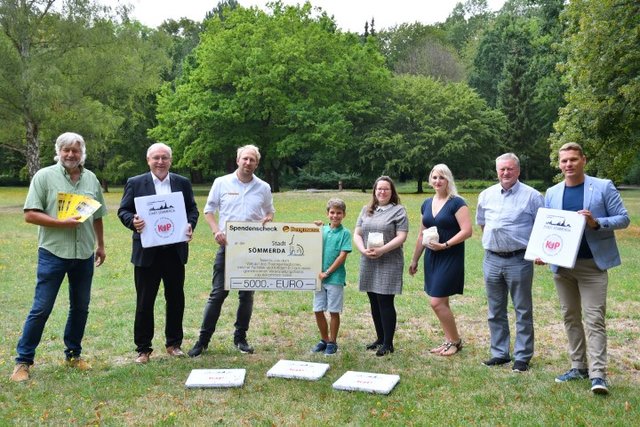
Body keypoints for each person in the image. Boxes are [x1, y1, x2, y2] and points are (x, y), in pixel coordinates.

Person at [10, 132, 106, 382]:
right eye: (66, 150)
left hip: (84, 253)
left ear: (82, 153)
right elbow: (30, 214)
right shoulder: (44, 177)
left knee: (80, 308)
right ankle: (23, 362)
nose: (71, 154)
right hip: (53, 253)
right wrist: (59, 222)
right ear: (58, 151)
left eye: (75, 150)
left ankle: (73, 355)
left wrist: (101, 246)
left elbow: (97, 216)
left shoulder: (91, 179)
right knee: (41, 308)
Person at [542, 142, 629, 395]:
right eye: (564, 161)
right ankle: (578, 366)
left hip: (593, 266)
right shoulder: (552, 192)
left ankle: (598, 374)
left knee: (594, 320)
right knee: (570, 317)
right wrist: (541, 252)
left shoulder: (602, 186)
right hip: (563, 267)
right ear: (559, 164)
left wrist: (595, 222)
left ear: (583, 160)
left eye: (573, 159)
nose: (568, 165)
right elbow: (548, 227)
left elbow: (623, 218)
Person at [188, 144, 275, 357]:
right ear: (238, 160)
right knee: (218, 294)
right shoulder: (221, 183)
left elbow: (270, 212)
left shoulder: (263, 187)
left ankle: (240, 338)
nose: (248, 163)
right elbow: (208, 210)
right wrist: (216, 230)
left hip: (253, 249)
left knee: (246, 296)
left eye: (252, 160)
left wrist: (268, 218)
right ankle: (203, 340)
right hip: (227, 247)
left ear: (257, 163)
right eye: (244, 159)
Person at [117, 143, 199, 364]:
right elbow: (123, 210)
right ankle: (143, 349)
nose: (160, 162)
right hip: (147, 253)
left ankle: (174, 344)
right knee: (145, 302)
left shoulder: (182, 183)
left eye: (164, 158)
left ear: (170, 160)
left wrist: (190, 224)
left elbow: (192, 209)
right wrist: (133, 221)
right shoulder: (135, 183)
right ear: (148, 160)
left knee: (175, 299)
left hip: (174, 252)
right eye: (156, 158)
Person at [476, 153, 543, 372]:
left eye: (510, 169)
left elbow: (542, 228)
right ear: (496, 171)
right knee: (495, 310)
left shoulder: (532, 196)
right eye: (502, 169)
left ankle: (522, 356)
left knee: (522, 309)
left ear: (518, 171)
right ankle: (499, 353)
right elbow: (483, 224)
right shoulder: (486, 195)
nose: (505, 173)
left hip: (519, 260)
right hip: (492, 259)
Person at [409, 164, 472, 356]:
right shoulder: (426, 203)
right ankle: (449, 340)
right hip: (431, 257)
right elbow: (421, 234)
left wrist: (445, 245)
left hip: (450, 256)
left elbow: (467, 231)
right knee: (442, 302)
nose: (438, 181)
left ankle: (455, 341)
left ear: (448, 180)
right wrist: (415, 260)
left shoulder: (457, 203)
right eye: (435, 177)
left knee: (436, 302)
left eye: (442, 178)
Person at [353, 176, 408, 356]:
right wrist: (362, 250)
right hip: (369, 259)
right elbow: (357, 234)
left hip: (389, 260)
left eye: (386, 189)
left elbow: (401, 236)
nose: (382, 192)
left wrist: (383, 250)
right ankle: (379, 338)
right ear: (374, 191)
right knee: (374, 301)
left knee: (385, 301)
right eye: (379, 189)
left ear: (392, 192)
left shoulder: (398, 211)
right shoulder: (366, 210)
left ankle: (388, 343)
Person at [311, 198, 352, 356]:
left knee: (333, 311)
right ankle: (324, 339)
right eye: (332, 212)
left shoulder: (345, 233)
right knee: (318, 309)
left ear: (344, 215)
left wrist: (327, 272)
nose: (335, 216)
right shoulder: (321, 230)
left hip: (334, 278)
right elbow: (308, 241)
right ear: (327, 214)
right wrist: (313, 228)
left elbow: (342, 256)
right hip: (317, 278)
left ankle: (333, 342)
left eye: (339, 213)